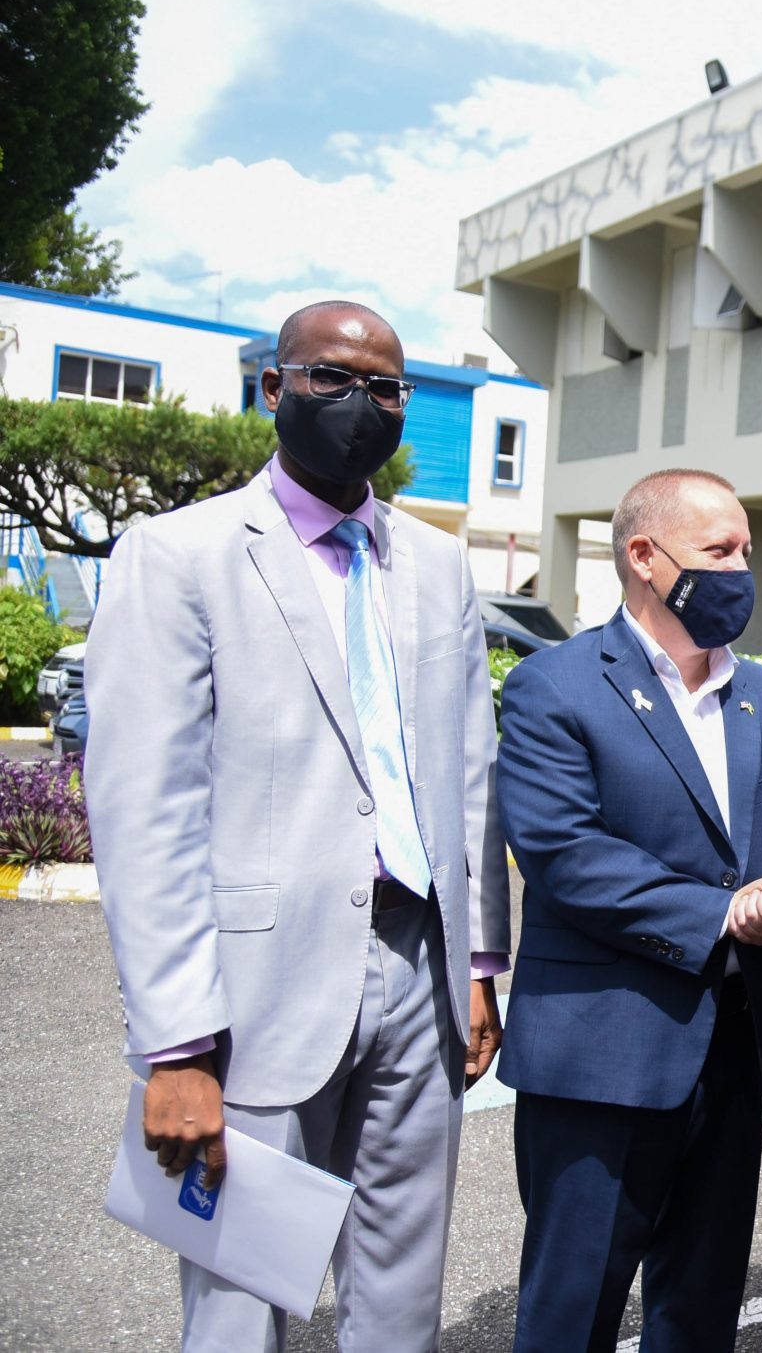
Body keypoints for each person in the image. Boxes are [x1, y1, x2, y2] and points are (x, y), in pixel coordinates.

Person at [86, 301, 511, 1351]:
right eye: (332, 378)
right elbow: (147, 811)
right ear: (273, 389)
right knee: (243, 1300)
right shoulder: (180, 555)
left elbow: (470, 771)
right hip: (252, 993)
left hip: (420, 966)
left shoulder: (435, 564)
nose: (360, 403)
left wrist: (478, 962)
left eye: (385, 387)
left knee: (401, 1296)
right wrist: (176, 1044)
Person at [495, 467, 762, 1353]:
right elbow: (566, 854)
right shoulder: (555, 686)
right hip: (600, 1061)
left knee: (699, 1315)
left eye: (746, 551)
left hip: (735, 1048)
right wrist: (728, 913)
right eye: (718, 551)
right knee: (570, 1315)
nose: (740, 570)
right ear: (644, 557)